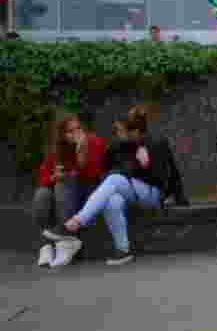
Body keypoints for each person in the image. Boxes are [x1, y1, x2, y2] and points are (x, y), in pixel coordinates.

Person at [44, 105, 189, 266]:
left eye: (119, 131)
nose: (116, 135)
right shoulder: (117, 147)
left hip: (153, 193)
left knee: (115, 180)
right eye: (115, 131)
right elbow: (104, 171)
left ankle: (74, 223)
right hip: (129, 191)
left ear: (132, 131)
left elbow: (168, 174)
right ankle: (123, 250)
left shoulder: (155, 143)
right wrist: (82, 152)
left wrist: (146, 165)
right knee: (112, 199)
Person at [34, 113, 107, 267]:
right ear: (62, 135)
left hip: (87, 192)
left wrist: (81, 152)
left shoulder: (94, 142)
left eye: (78, 128)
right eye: (70, 131)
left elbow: (94, 174)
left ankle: (66, 242)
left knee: (65, 181)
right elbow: (43, 178)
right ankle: (47, 246)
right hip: (64, 194)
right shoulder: (58, 149)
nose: (76, 133)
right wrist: (54, 177)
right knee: (42, 195)